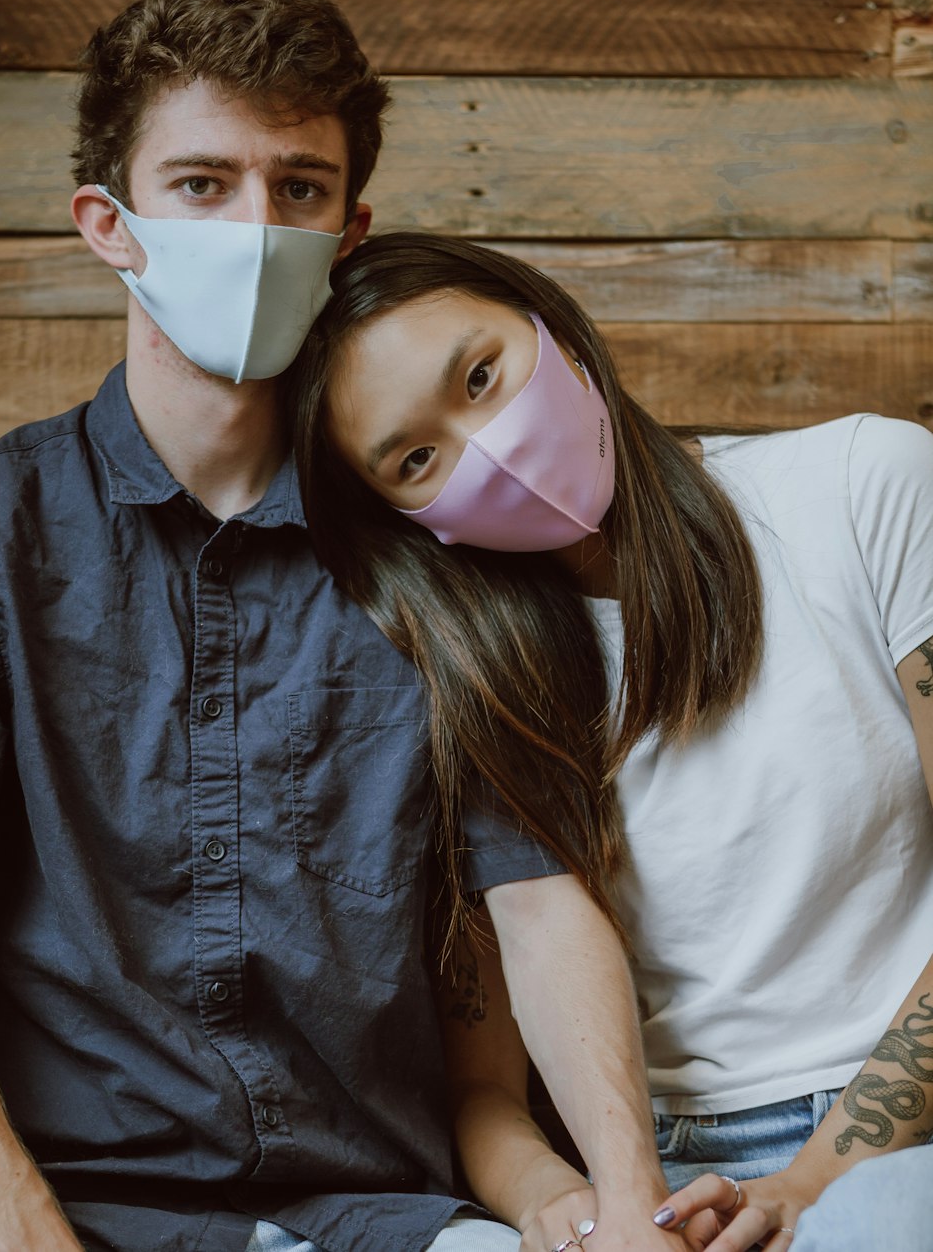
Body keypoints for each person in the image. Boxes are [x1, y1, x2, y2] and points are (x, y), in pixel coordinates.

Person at [0, 0, 683, 1252]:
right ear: (108, 222)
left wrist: (626, 1212)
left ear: (350, 227)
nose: (256, 225)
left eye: (297, 187)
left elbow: (537, 897)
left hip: (384, 1213)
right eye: (202, 184)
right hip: (64, 1212)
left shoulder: (437, 544)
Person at [289, 230, 933, 1252]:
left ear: (555, 327)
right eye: (418, 458)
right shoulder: (470, 687)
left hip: (902, 1143)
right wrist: (572, 1205)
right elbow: (486, 1090)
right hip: (660, 1176)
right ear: (406, 521)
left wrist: (808, 1183)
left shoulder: (864, 487)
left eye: (483, 373)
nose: (487, 441)